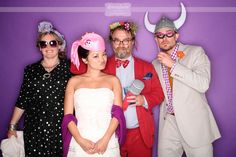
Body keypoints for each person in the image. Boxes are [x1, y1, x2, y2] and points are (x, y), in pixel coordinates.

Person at [144, 3, 221, 157]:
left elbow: (202, 84)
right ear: (156, 39)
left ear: (176, 35)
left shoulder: (195, 52)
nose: (164, 38)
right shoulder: (155, 64)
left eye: (169, 34)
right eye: (160, 35)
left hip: (195, 123)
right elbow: (152, 89)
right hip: (169, 123)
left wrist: (173, 65)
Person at [7, 21, 71, 156]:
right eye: (44, 44)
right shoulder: (30, 70)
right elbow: (23, 99)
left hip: (61, 129)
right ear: (40, 48)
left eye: (53, 43)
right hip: (35, 130)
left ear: (60, 45)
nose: (48, 47)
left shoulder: (71, 68)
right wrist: (12, 126)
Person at [104, 21, 164, 157]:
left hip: (139, 132)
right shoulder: (102, 66)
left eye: (126, 40)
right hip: (111, 132)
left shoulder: (147, 67)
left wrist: (143, 99)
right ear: (111, 43)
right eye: (117, 40)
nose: (121, 45)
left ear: (132, 42)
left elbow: (159, 94)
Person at [62, 32, 126, 157]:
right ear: (85, 59)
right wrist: (80, 140)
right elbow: (68, 117)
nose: (102, 59)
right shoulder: (73, 82)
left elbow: (118, 114)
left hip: (107, 143)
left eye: (104, 54)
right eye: (96, 56)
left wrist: (105, 140)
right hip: (81, 142)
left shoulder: (113, 80)